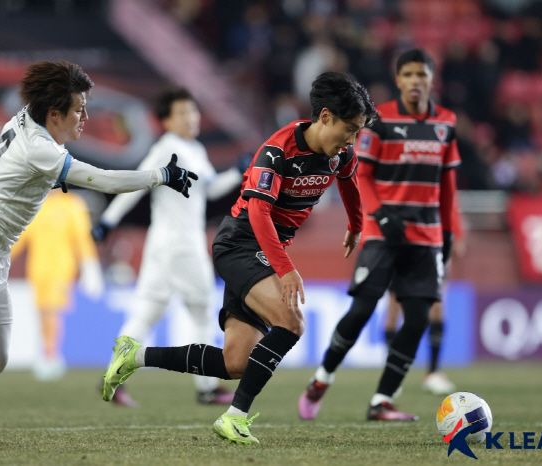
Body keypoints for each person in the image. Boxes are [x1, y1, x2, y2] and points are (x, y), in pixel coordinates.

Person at [0, 60, 197, 448]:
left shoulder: (28, 120)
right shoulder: (40, 150)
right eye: (79, 109)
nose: (86, 116)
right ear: (54, 113)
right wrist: (161, 175)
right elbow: (105, 180)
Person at [101, 71, 375, 444]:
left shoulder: (340, 153)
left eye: (358, 132)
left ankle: (136, 356)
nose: (352, 140)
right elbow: (260, 215)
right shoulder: (277, 151)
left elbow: (350, 181)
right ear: (325, 116)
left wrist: (357, 224)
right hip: (241, 243)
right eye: (350, 129)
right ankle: (235, 417)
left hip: (263, 250)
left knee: (235, 364)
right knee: (292, 321)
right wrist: (286, 270)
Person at [298, 49, 461, 422]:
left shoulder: (446, 123)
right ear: (398, 79)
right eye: (408, 74)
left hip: (427, 235)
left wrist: (448, 232)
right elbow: (363, 174)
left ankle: (382, 400)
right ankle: (323, 377)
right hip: (383, 232)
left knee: (418, 319)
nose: (415, 80)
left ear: (431, 79)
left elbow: (447, 184)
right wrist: (380, 214)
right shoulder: (379, 119)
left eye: (422, 73)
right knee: (362, 309)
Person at [91, 87, 248, 406]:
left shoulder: (194, 149)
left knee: (147, 311)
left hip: (163, 244)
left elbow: (211, 189)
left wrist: (236, 171)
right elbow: (137, 183)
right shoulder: (167, 149)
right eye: (182, 113)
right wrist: (108, 220)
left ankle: (112, 377)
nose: (191, 118)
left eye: (193, 111)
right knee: (202, 312)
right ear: (164, 121)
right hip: (181, 244)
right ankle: (206, 388)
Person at [11, 189, 104, 381]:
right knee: (42, 312)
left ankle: (51, 355)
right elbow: (20, 238)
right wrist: (0, 256)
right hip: (38, 269)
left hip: (61, 268)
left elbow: (81, 238)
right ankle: (47, 353)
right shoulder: (35, 205)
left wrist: (89, 265)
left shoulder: (72, 204)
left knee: (53, 311)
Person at [384, 196, 466, 396]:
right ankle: (392, 375)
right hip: (402, 244)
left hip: (433, 247)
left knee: (437, 308)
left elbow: (451, 208)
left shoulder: (441, 178)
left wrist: (457, 236)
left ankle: (433, 373)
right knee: (393, 313)